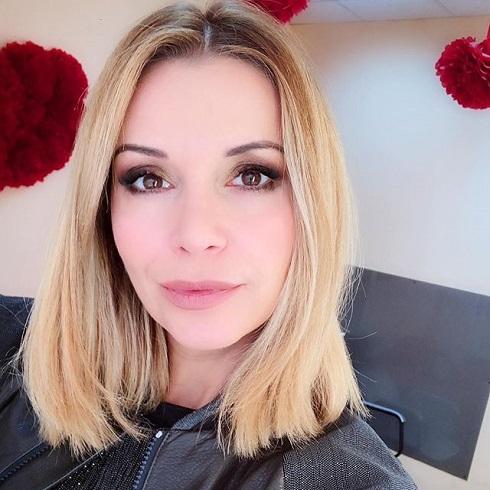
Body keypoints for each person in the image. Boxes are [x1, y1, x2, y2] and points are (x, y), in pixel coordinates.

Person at [0, 0, 418, 488]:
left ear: (313, 203)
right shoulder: (12, 349)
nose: (196, 235)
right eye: (148, 178)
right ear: (102, 206)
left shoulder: (353, 480)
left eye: (252, 175)